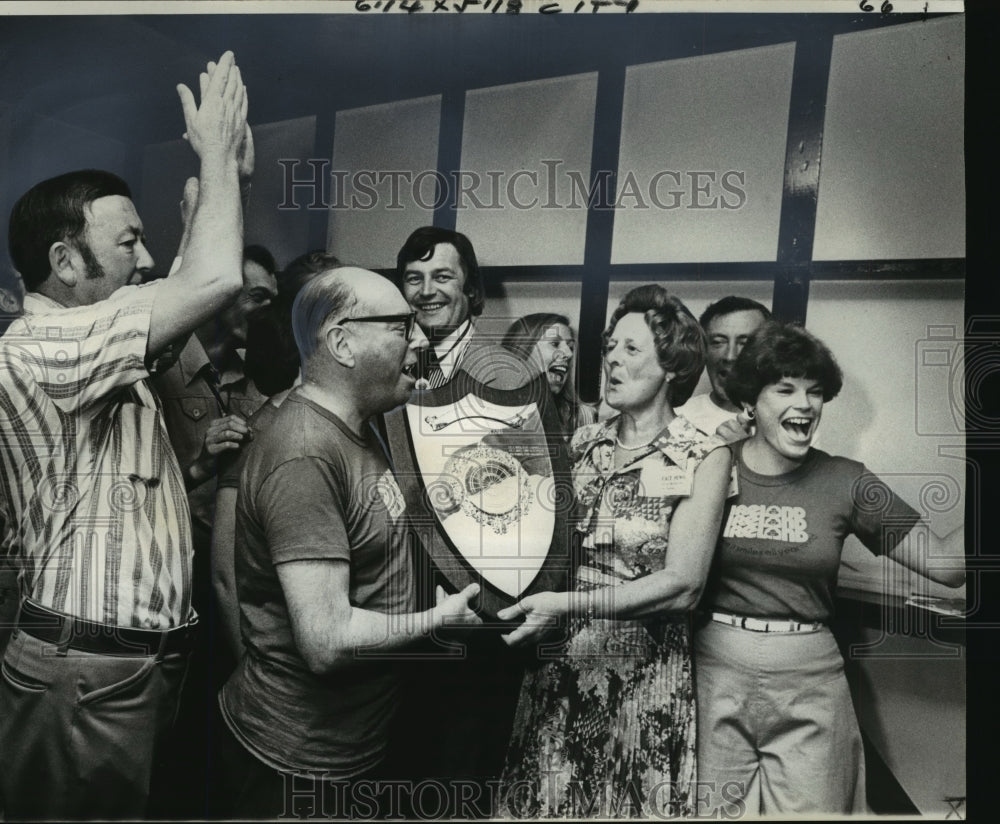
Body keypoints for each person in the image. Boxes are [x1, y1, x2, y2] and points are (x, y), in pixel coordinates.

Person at [0, 51, 248, 819]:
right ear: (64, 262)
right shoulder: (39, 348)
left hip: (129, 669)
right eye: (129, 243)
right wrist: (213, 157)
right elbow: (208, 284)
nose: (146, 260)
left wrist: (220, 188)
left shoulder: (93, 343)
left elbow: (179, 307)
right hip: (86, 670)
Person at [216, 266, 482, 819]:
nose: (419, 339)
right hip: (294, 759)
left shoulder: (366, 427)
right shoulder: (304, 453)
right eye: (400, 328)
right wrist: (439, 620)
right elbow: (327, 640)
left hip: (355, 742)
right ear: (342, 342)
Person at [694, 321, 965, 816]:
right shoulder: (710, 465)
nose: (805, 404)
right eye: (786, 389)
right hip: (714, 675)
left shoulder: (849, 480)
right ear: (750, 401)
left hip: (810, 684)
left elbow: (947, 565)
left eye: (815, 393)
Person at [494, 284, 733, 819]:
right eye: (610, 349)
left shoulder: (703, 454)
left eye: (631, 351)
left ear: (671, 367)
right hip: (557, 663)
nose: (612, 363)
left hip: (641, 675)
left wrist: (565, 606)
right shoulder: (582, 443)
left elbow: (684, 585)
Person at [211, 249, 341, 662]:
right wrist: (245, 667)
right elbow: (225, 576)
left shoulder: (357, 423)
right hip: (275, 667)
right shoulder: (262, 429)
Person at [676, 296, 770, 438]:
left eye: (745, 343)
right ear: (703, 350)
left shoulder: (791, 418)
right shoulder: (679, 418)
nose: (730, 356)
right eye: (718, 342)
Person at [501, 312, 597, 438]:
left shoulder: (582, 417)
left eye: (571, 347)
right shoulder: (485, 413)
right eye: (555, 344)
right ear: (523, 350)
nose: (569, 354)